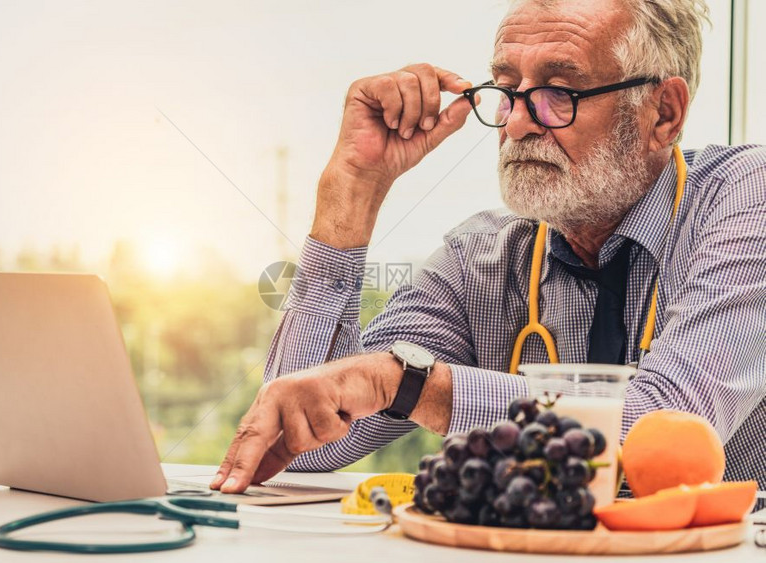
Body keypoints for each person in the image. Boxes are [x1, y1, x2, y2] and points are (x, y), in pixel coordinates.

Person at [211, 0, 765, 495]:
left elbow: (659, 427)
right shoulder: (480, 256)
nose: (518, 123)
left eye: (557, 93)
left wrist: (404, 381)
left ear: (663, 112)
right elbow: (298, 442)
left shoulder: (745, 199)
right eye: (505, 90)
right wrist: (353, 190)